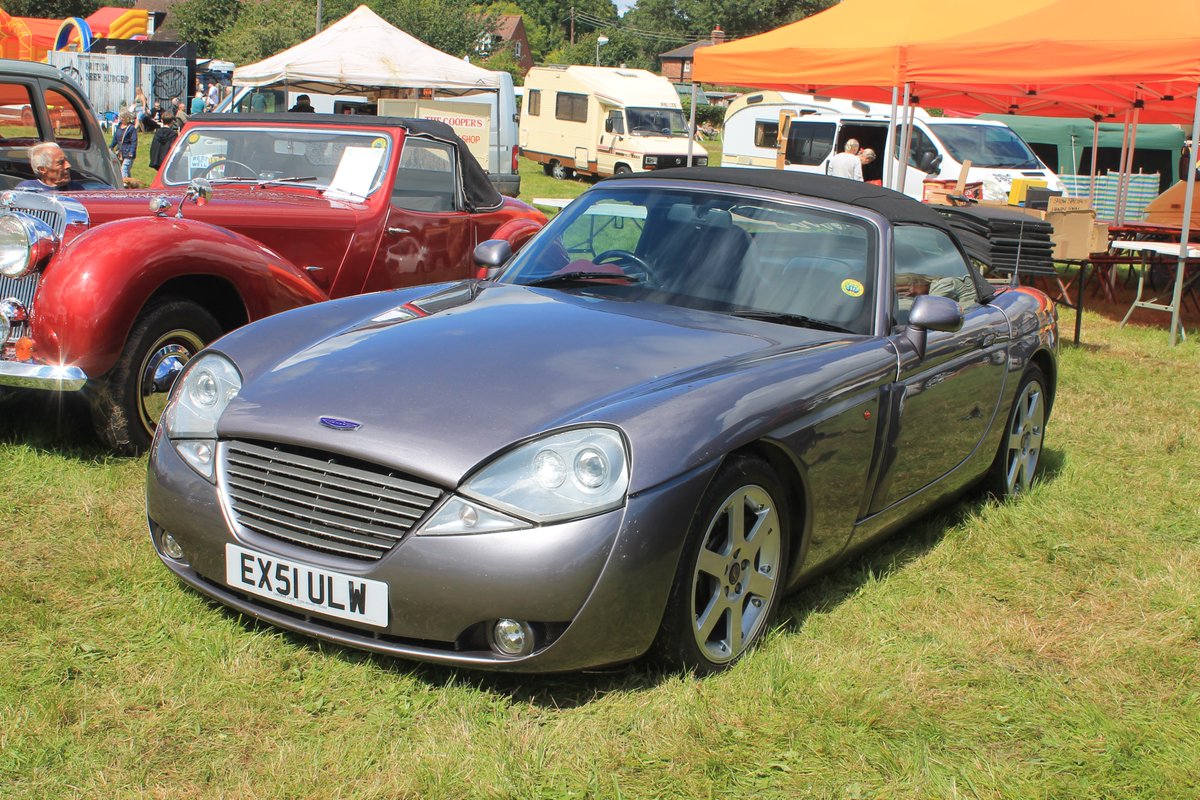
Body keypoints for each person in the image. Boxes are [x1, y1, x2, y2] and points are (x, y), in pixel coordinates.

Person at [15, 142, 89, 191]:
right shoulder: (28, 189)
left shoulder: (75, 188)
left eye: (66, 161)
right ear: (42, 169)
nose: (68, 165)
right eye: (60, 163)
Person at [111, 110, 138, 180]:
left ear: (127, 118)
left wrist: (132, 151)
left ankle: (124, 187)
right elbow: (115, 138)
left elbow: (134, 141)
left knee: (124, 169)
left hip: (128, 153)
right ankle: (131, 186)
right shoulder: (119, 126)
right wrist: (111, 146)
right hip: (120, 153)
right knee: (126, 171)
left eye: (123, 117)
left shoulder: (131, 128)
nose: (122, 119)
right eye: (121, 117)